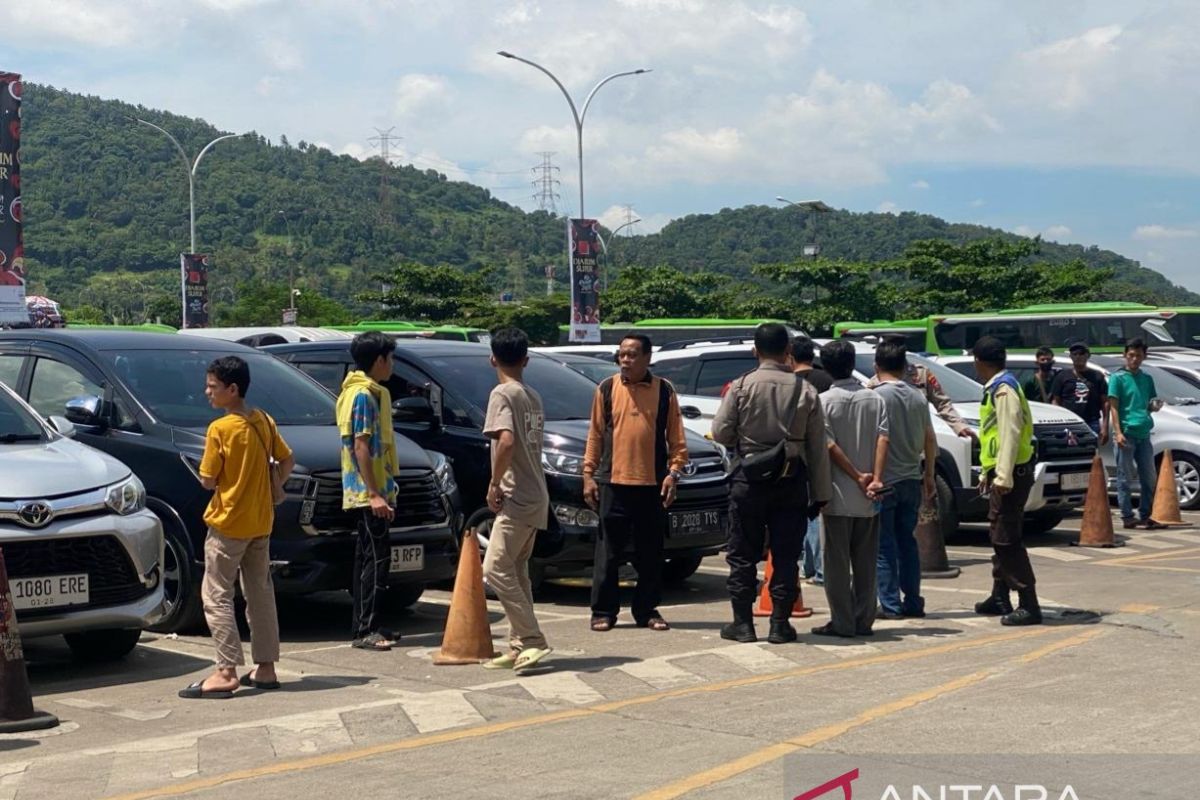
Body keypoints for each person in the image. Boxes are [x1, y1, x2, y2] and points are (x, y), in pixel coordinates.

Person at [712, 323, 832, 644]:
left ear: (755, 350)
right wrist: (821, 494)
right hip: (790, 481)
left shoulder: (740, 387)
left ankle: (743, 624)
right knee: (786, 555)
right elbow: (818, 448)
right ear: (788, 352)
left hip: (748, 481)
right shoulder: (804, 390)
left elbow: (721, 432)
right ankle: (780, 624)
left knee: (742, 554)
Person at [180, 356, 292, 699]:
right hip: (261, 521)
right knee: (260, 593)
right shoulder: (263, 420)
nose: (207, 392)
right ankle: (266, 666)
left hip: (229, 522)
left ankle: (226, 669)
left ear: (232, 389)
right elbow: (286, 459)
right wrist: (270, 487)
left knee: (215, 595)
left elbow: (208, 479)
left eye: (213, 387)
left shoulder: (220, 429)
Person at [584, 334, 688, 632]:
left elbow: (677, 439)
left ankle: (647, 610)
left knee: (650, 553)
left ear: (647, 358)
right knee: (608, 553)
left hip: (651, 483)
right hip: (613, 482)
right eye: (622, 355)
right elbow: (595, 435)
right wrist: (588, 474)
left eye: (632, 355)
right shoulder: (606, 389)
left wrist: (674, 473)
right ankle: (603, 611)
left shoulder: (664, 391)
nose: (625, 360)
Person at [481, 328, 553, 672]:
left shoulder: (502, 393)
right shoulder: (533, 395)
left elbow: (506, 441)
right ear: (525, 359)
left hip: (517, 495)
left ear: (493, 358)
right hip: (536, 493)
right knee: (517, 571)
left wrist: (494, 482)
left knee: (494, 568)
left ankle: (533, 639)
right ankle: (518, 645)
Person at [812, 340, 888, 638]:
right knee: (866, 562)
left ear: (827, 367)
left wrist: (857, 475)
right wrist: (875, 479)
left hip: (837, 495)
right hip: (870, 496)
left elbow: (828, 445)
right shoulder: (875, 399)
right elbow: (883, 438)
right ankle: (863, 619)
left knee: (837, 564)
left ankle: (842, 622)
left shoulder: (824, 401)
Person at [337, 331, 402, 651]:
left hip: (371, 487)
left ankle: (368, 624)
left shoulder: (364, 391)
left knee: (369, 558)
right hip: (367, 491)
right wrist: (375, 492)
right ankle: (366, 629)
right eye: (390, 359)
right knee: (377, 560)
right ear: (379, 360)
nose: (392, 366)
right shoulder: (363, 395)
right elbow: (361, 445)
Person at [971, 336, 1041, 625]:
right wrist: (989, 472)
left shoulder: (1003, 390)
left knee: (1006, 539)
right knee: (999, 533)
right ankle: (1000, 595)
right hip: (1006, 473)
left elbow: (1010, 434)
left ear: (979, 361)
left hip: (1013, 475)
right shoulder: (999, 387)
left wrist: (1003, 475)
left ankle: (1029, 602)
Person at [871, 339, 935, 620]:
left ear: (877, 366)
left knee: (884, 546)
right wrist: (929, 474)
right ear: (905, 366)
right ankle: (913, 601)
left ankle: (890, 604)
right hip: (912, 476)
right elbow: (929, 438)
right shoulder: (919, 396)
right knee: (907, 543)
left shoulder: (876, 396)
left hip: (885, 481)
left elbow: (875, 440)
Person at [1108, 338, 1166, 530]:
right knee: (1124, 477)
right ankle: (1126, 515)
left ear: (1144, 357)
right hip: (1126, 432)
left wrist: (1154, 406)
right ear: (1125, 355)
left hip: (1144, 433)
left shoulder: (1146, 379)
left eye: (1138, 355)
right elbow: (1113, 407)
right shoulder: (1118, 378)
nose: (1134, 359)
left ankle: (1146, 514)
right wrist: (1117, 432)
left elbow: (1149, 404)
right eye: (1131, 355)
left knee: (1149, 476)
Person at [868, 335, 973, 440]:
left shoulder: (921, 373)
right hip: (893, 440)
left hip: (921, 438)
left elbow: (942, 403)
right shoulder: (875, 382)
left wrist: (959, 426)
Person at [792, 335, 833, 587]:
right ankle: (812, 565)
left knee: (808, 514)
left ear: (790, 355)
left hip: (797, 455)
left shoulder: (791, 384)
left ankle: (814, 567)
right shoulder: (826, 380)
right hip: (825, 451)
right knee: (817, 510)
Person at [1049, 342, 1108, 443]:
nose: (1078, 357)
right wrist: (1059, 422)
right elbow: (1055, 400)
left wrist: (1105, 427)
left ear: (1088, 355)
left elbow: (1105, 402)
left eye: (1081, 353)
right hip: (1069, 424)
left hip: (1091, 422)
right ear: (1071, 357)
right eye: (1075, 354)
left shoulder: (1097, 376)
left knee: (1092, 453)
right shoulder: (1062, 376)